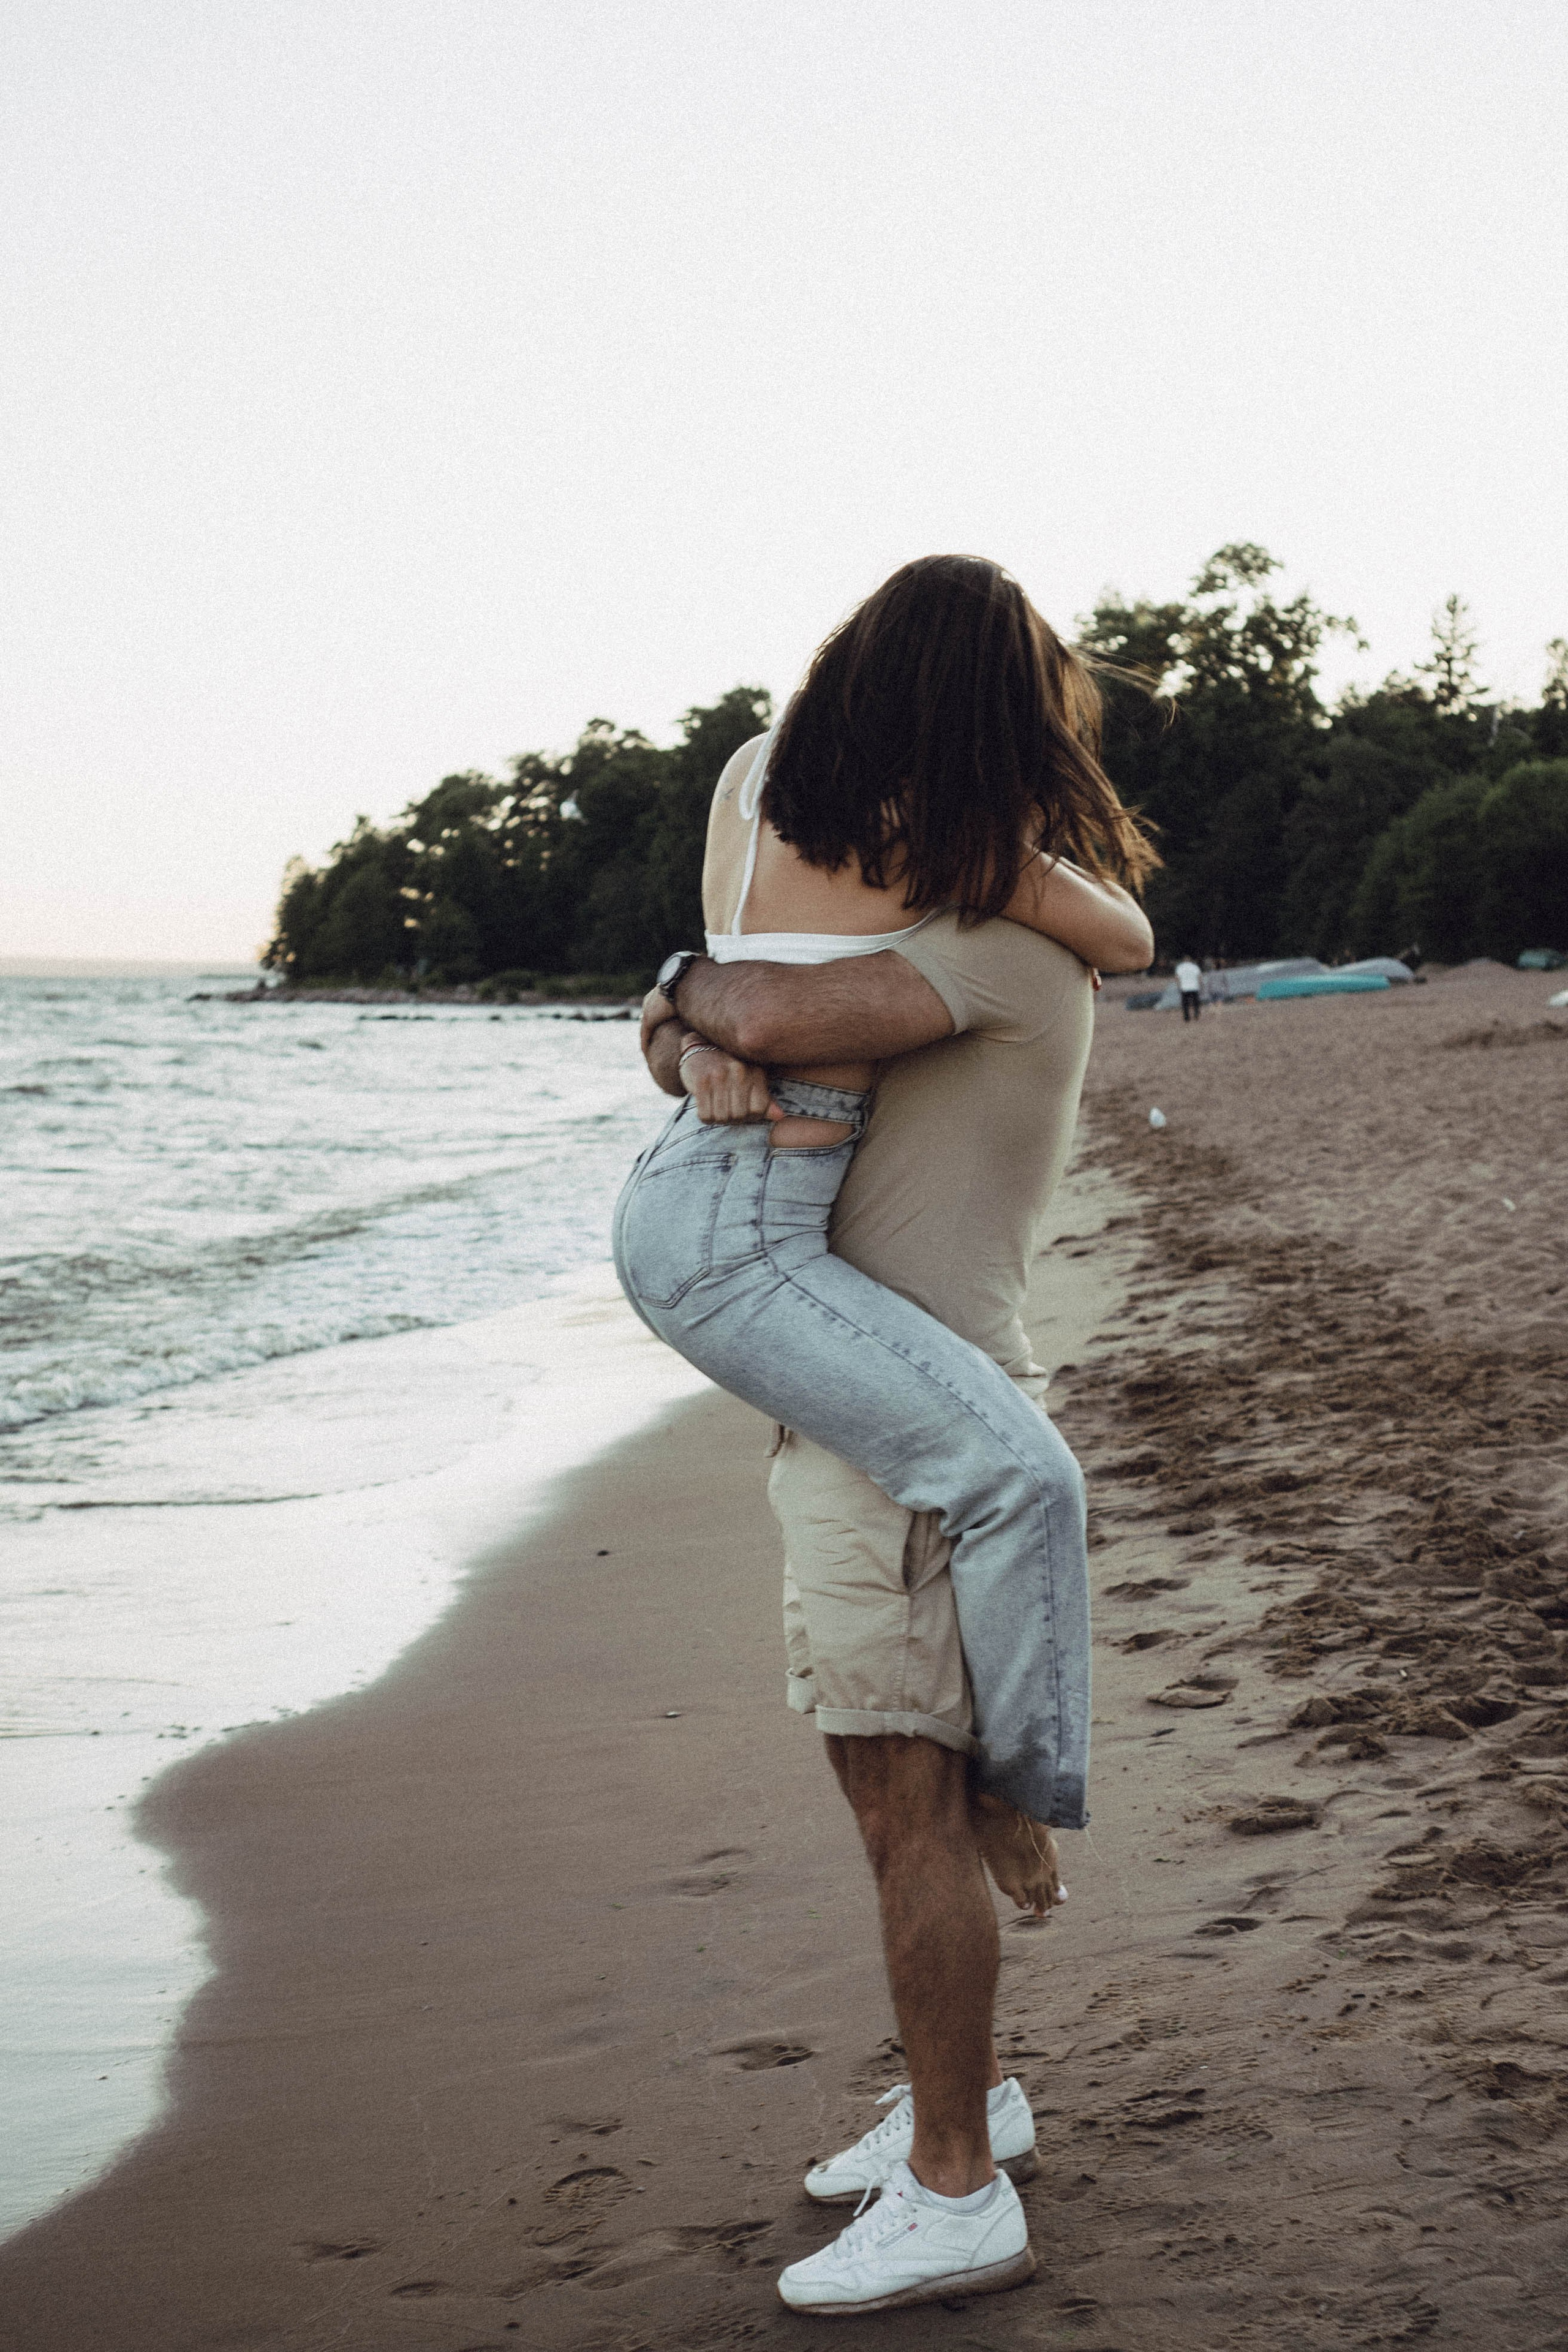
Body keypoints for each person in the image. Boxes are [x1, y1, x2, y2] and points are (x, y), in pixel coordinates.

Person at [615, 556, 1156, 2315]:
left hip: (915, 1422)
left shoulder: (981, 941)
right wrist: (683, 1021)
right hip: (860, 1393)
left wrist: (695, 1003)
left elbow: (764, 1010)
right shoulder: (936, 914)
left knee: (910, 1804)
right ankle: (966, 2093)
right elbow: (742, 1017)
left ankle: (955, 2182)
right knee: (877, 1787)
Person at [1175, 953, 1202, 1020]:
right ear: (1190, 960)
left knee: (1185, 1003)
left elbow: (1177, 978)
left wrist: (1179, 986)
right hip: (1194, 987)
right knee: (1196, 1002)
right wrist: (1200, 985)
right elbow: (1199, 977)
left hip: (1184, 987)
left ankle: (1187, 1016)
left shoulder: (1180, 967)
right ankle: (1196, 1014)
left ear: (1184, 960)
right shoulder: (1195, 967)